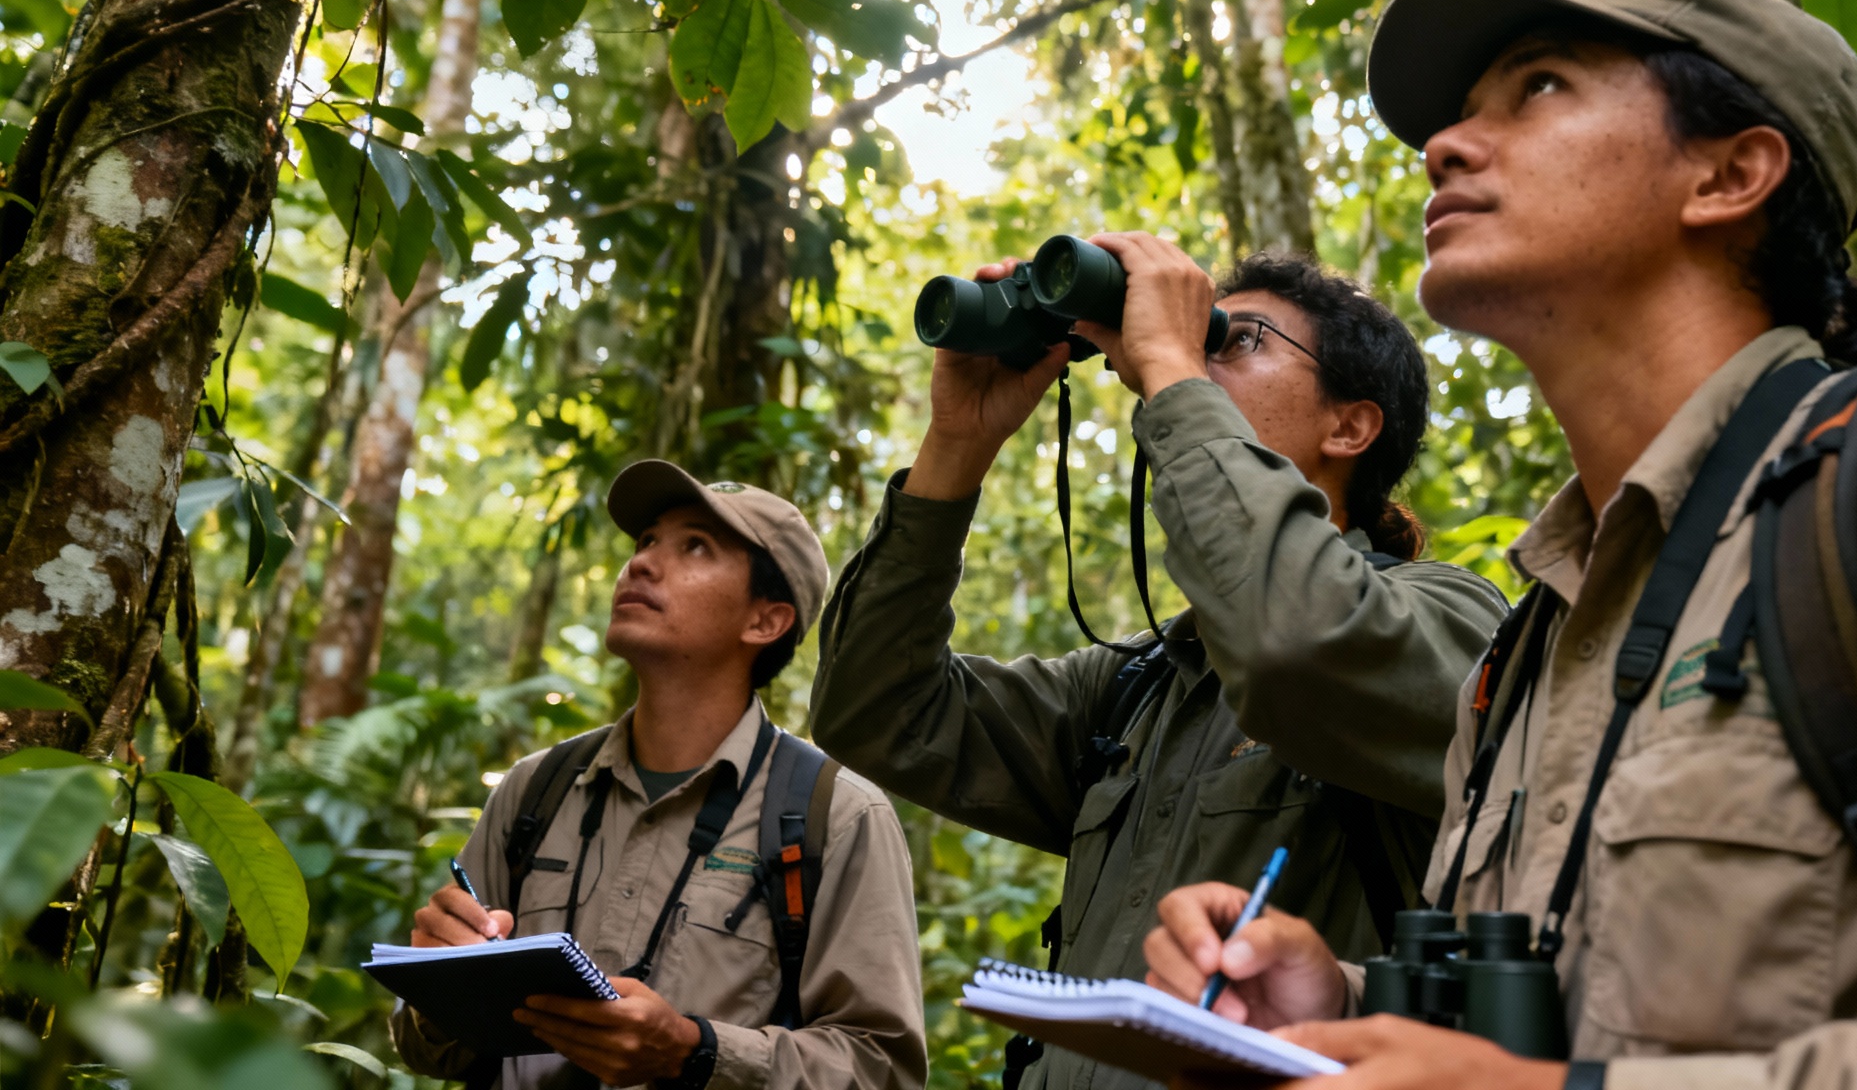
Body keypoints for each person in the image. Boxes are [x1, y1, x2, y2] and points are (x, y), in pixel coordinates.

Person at [1142, 0, 1857, 1090]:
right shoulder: (1526, 647)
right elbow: (1584, 1017)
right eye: (1462, 113)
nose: (1444, 147)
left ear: (1730, 173)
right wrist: (1345, 1007)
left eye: (1539, 88)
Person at [810, 243, 1507, 1090]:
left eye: (1236, 339)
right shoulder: (1137, 689)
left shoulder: (1453, 621)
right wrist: (959, 443)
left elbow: (1291, 642)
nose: (1195, 359)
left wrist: (1175, 367)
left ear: (1350, 427)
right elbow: (877, 709)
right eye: (1203, 337)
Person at [390, 463, 926, 1090]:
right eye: (646, 540)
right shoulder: (536, 789)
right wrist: (439, 980)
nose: (641, 563)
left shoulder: (835, 815)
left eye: (695, 546)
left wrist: (695, 1052)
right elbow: (425, 1049)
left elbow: (883, 1068)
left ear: (765, 621)